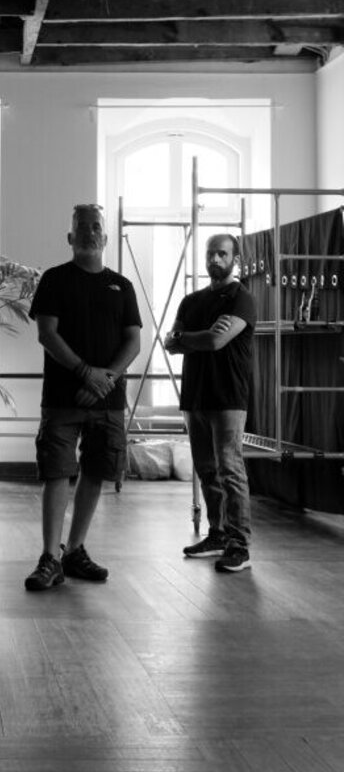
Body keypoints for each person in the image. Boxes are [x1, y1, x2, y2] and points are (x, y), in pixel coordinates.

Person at [25, 204, 141, 591]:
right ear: (70, 237)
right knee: (57, 473)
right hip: (62, 398)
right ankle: (50, 557)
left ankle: (74, 551)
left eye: (96, 227)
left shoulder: (122, 286)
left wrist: (105, 378)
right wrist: (85, 373)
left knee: (95, 471)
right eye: (82, 227)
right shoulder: (54, 279)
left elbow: (133, 341)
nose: (89, 232)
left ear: (105, 237)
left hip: (107, 399)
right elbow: (47, 333)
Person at [164, 233, 256, 573]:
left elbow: (217, 340)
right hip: (194, 397)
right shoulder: (191, 301)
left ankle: (239, 544)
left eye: (222, 254)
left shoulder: (242, 298)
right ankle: (217, 534)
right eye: (210, 254)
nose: (215, 259)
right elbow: (169, 343)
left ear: (235, 259)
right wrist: (192, 338)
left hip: (228, 397)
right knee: (206, 470)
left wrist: (186, 338)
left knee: (230, 470)